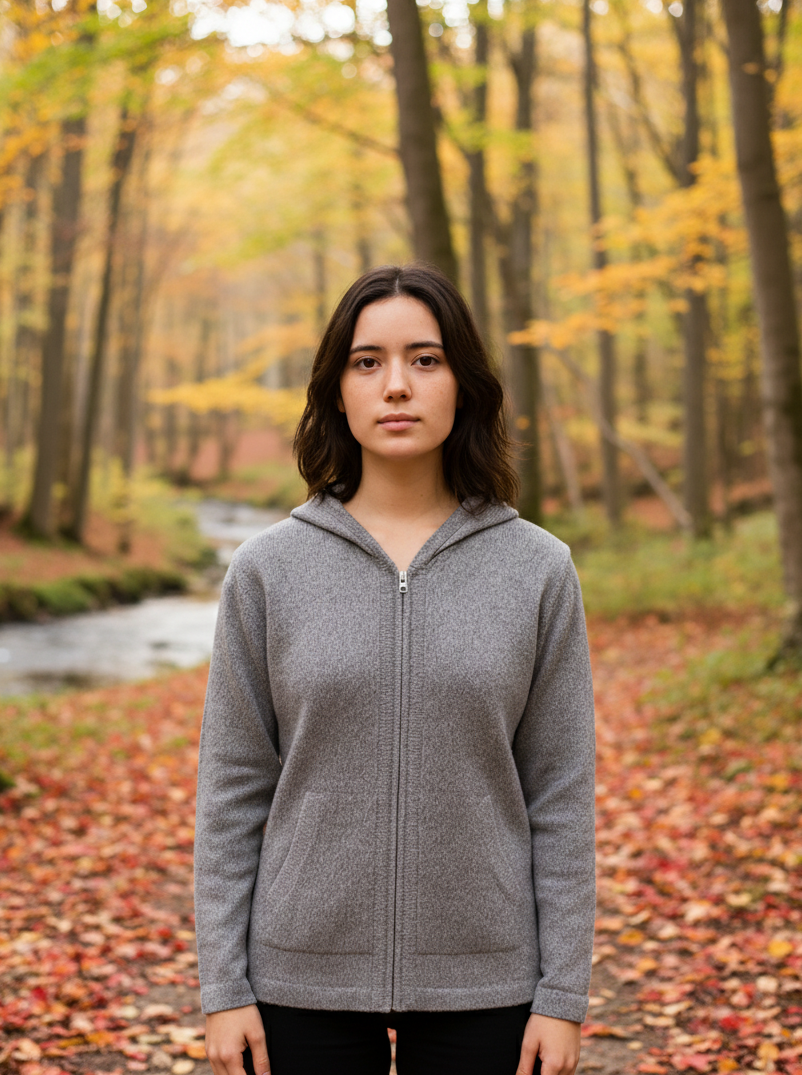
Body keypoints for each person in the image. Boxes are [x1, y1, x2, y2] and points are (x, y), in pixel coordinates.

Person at [194, 264, 596, 1075]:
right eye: (368, 361)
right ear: (337, 389)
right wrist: (224, 983)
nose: (397, 386)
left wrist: (562, 994)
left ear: (464, 385)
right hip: (297, 977)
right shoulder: (268, 569)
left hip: (487, 979)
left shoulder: (538, 569)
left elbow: (561, 792)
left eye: (426, 358)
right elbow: (233, 785)